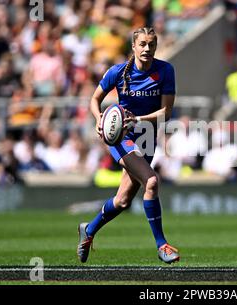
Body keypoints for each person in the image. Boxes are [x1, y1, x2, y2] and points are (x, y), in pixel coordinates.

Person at [77, 27, 180, 264]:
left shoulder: (165, 70)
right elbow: (94, 100)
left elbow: (166, 112)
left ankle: (89, 230)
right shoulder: (117, 72)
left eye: (151, 44)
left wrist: (138, 120)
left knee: (123, 200)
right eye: (142, 44)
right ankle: (161, 245)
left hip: (147, 136)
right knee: (151, 181)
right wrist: (99, 119)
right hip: (121, 137)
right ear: (133, 47)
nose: (147, 49)